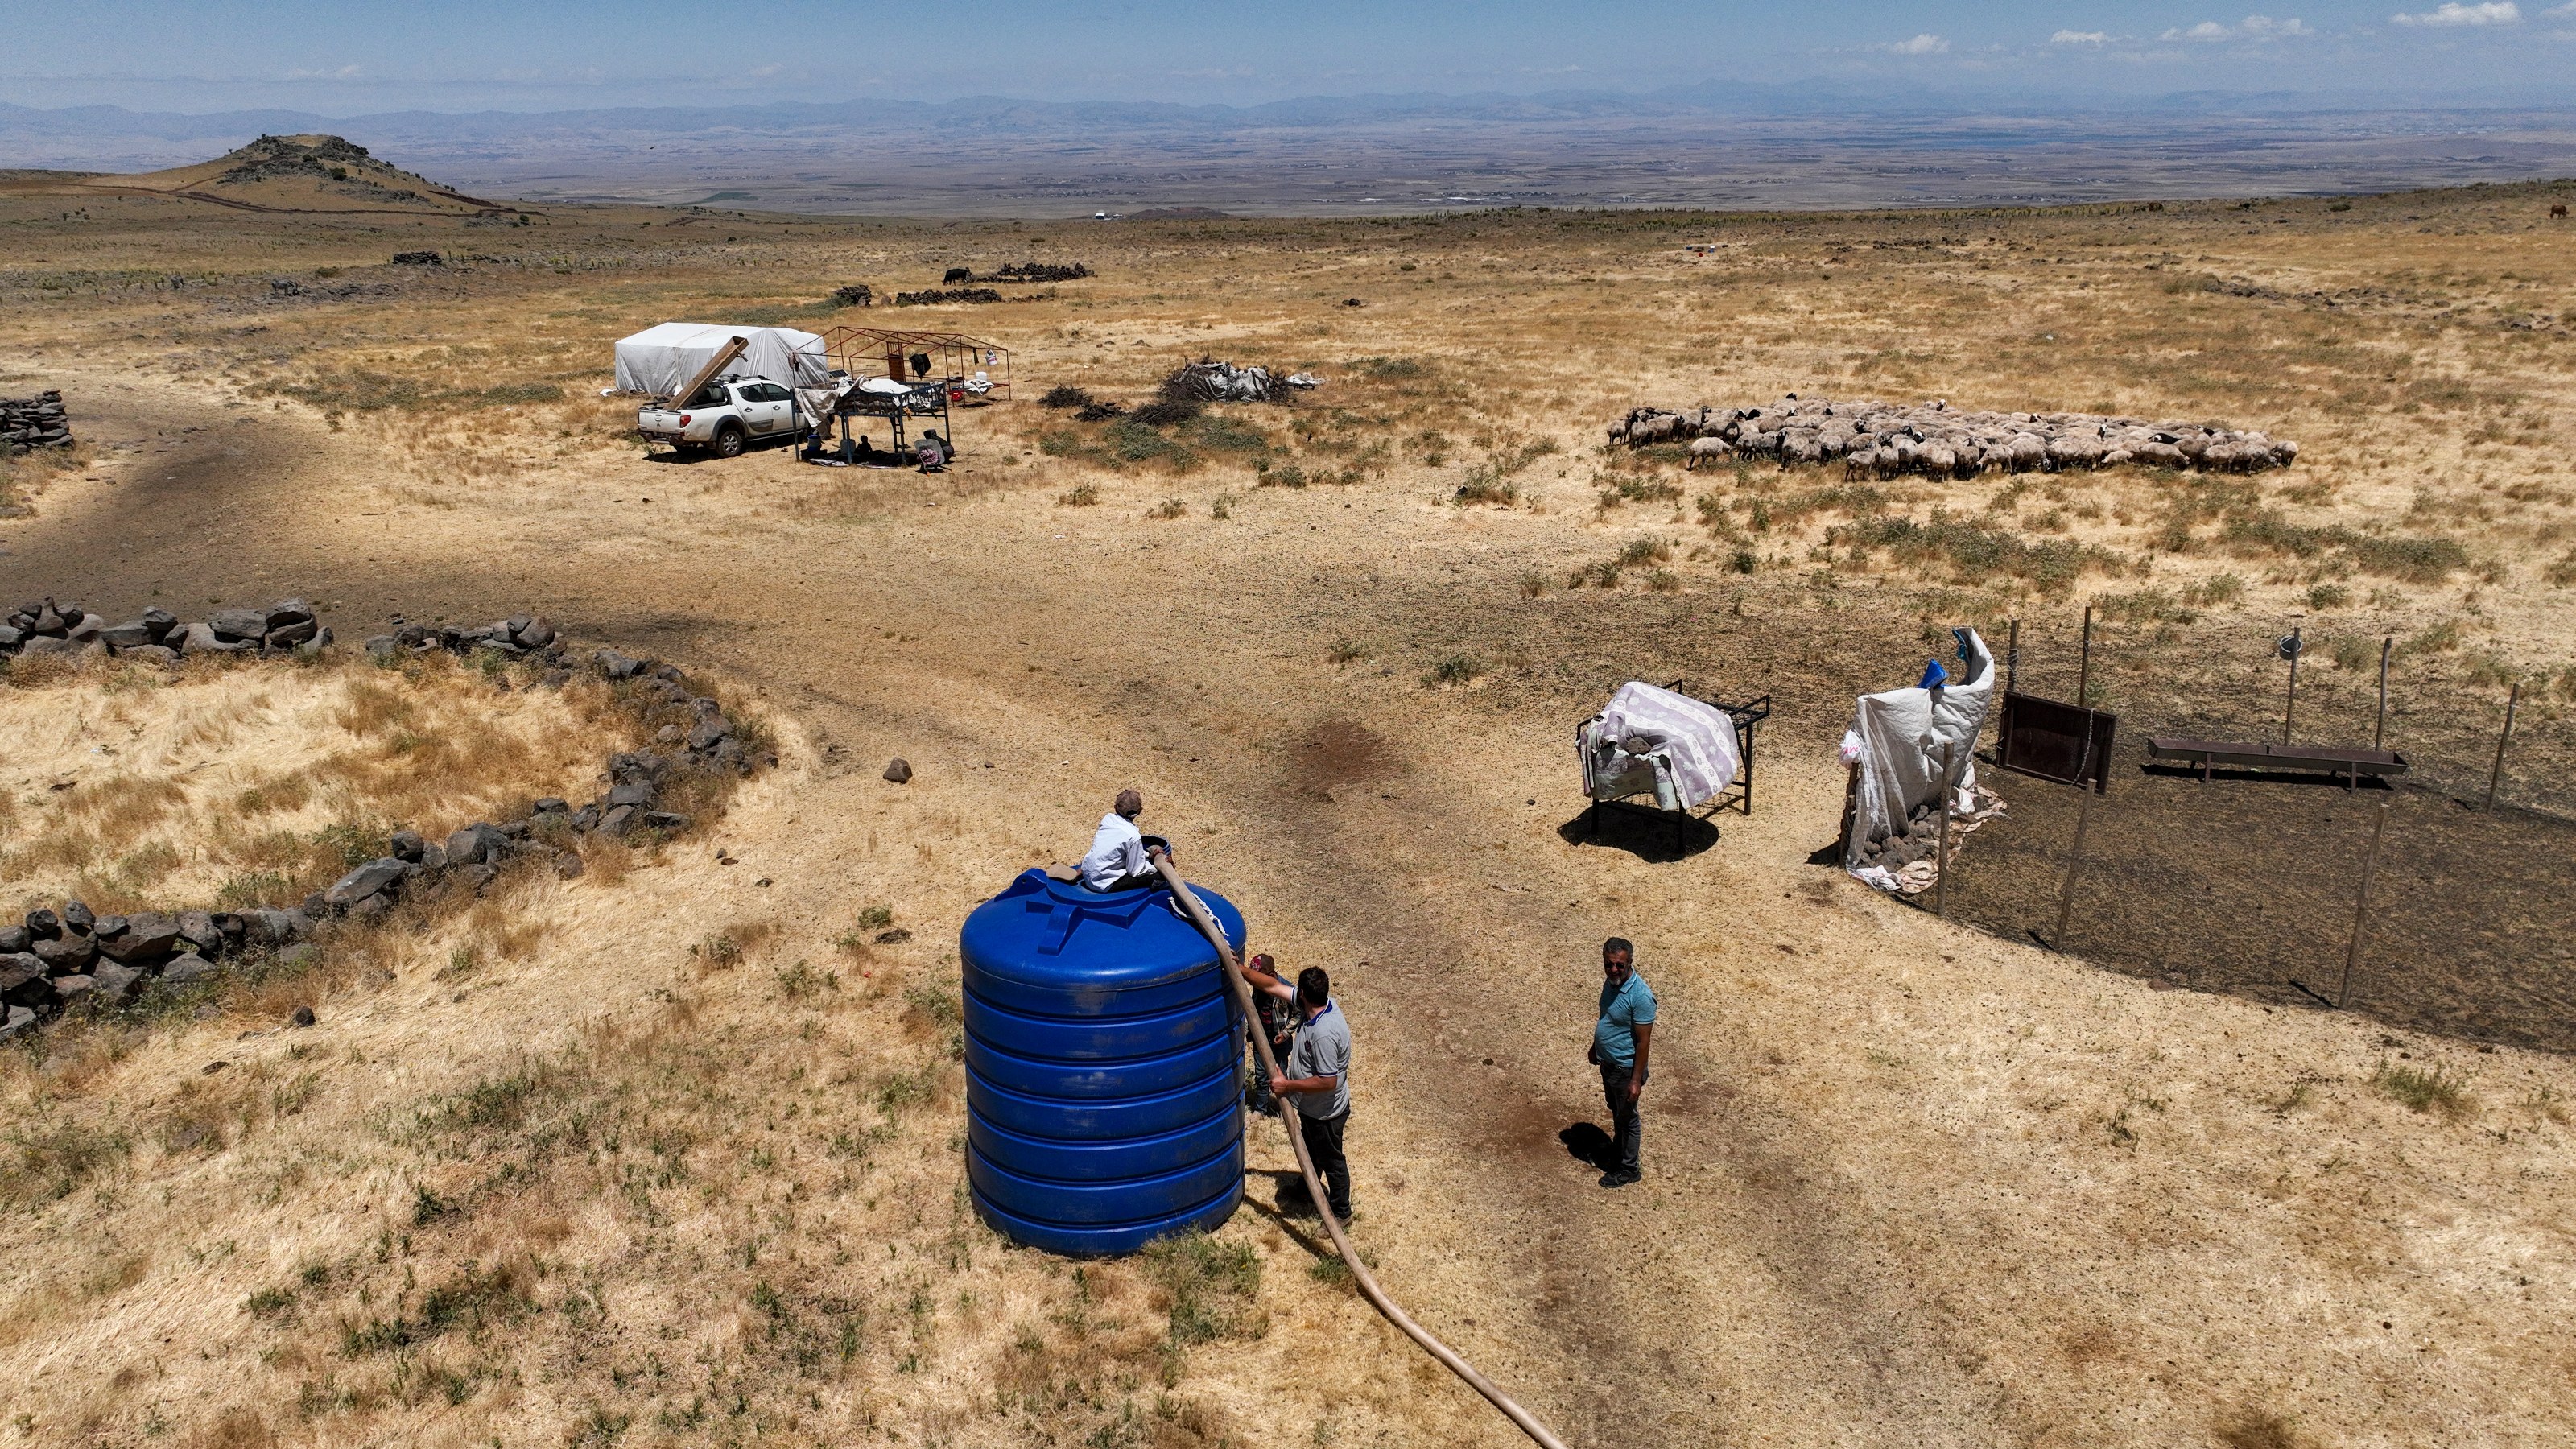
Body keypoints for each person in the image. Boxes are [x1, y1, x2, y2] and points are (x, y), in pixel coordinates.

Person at [1247, 963, 1353, 1221]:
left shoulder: (1324, 1033)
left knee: (1332, 1161)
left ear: (1303, 995)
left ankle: (1341, 1212)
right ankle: (1307, 1190)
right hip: (1312, 1107)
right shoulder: (1315, 1005)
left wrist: (1287, 1085)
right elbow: (1271, 985)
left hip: (1326, 1112)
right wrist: (1238, 967)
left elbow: (1328, 1081)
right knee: (1310, 1148)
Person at [1589, 936, 1655, 1187]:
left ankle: (1629, 1170)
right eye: (1609, 964)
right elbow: (1606, 1016)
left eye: (1620, 965)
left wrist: (1635, 1080)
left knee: (1627, 1119)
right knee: (1617, 1112)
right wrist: (1596, 1047)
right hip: (1609, 1064)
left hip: (1626, 1070)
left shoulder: (1640, 997)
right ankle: (1619, 1153)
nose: (1614, 970)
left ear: (1630, 963)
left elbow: (1643, 1041)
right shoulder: (1611, 983)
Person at [1237, 953, 1294, 1117]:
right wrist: (1251, 1032)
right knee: (1261, 1075)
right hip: (1261, 1037)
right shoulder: (1258, 988)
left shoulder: (1284, 989)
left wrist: (1285, 1033)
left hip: (1280, 1041)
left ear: (1270, 975)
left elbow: (1298, 1013)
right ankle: (1261, 1109)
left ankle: (1285, 1109)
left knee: (1280, 1074)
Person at [1078, 788, 1166, 892]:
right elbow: (1135, 871)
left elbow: (1117, 848)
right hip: (1103, 884)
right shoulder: (1133, 836)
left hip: (1088, 875)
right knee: (1160, 875)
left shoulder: (1108, 819)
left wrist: (1147, 855)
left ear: (1115, 808)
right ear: (1140, 811)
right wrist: (1156, 867)